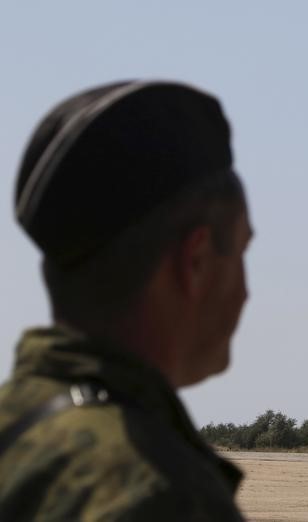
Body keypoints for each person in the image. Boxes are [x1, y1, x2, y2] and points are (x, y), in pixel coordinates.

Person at [0, 81, 252, 520]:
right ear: (194, 262)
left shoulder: (18, 433)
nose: (247, 292)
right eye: (241, 252)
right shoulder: (158, 493)